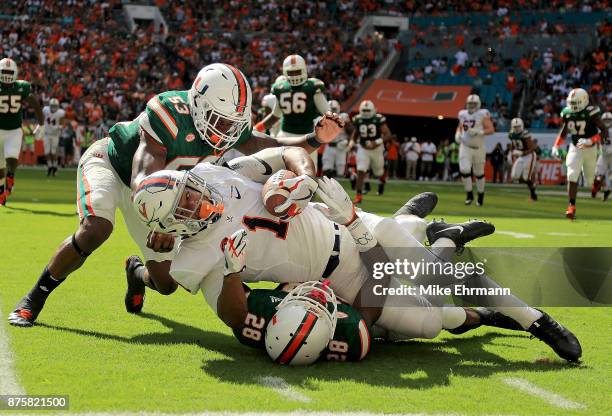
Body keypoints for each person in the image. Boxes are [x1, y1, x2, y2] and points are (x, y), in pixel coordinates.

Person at [132, 152, 582, 364]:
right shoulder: (197, 252)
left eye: (190, 189)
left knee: (441, 275)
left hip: (348, 227)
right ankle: (460, 270)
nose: (198, 198)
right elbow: (232, 315)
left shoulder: (215, 173)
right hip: (341, 282)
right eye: (186, 206)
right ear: (175, 227)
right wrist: (226, 271)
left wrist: (296, 178)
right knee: (438, 320)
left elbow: (287, 155)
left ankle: (537, 320)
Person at [7, 63, 342, 328]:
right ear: (197, 104)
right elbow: (143, 175)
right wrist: (163, 222)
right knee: (97, 229)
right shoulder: (167, 112)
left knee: (166, 283)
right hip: (114, 168)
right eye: (218, 121)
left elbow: (263, 144)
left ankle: (136, 272)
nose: (224, 133)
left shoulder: (229, 125)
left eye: (231, 125)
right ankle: (34, 297)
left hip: (163, 196)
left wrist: (314, 138)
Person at [256, 55, 329, 163]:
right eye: (291, 72)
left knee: (308, 175)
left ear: (304, 70)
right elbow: (275, 115)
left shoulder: (313, 86)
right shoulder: (281, 88)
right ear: (285, 73)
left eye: (297, 71)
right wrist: (257, 128)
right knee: (281, 170)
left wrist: (323, 124)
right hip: (285, 136)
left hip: (308, 137)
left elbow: (327, 113)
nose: (294, 75)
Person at [551, 88, 608, 219]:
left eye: (576, 103)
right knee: (572, 174)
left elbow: (604, 131)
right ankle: (571, 206)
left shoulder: (591, 112)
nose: (573, 106)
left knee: (589, 180)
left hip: (590, 148)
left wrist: (591, 140)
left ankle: (595, 185)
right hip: (575, 147)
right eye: (571, 103)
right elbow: (564, 131)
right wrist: (556, 145)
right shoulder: (567, 113)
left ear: (584, 101)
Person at [0, 58, 44, 205]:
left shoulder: (21, 87)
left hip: (13, 130)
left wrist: (41, 124)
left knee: (11, 158)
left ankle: (10, 176)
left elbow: (34, 103)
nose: (6, 75)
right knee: (0, 166)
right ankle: (1, 193)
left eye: (9, 72)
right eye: (4, 72)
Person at [455, 94, 495, 206]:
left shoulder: (482, 114)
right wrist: (458, 133)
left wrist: (479, 132)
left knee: (479, 173)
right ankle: (469, 194)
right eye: (470, 103)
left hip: (478, 148)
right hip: (465, 146)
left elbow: (491, 129)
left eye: (473, 104)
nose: (471, 106)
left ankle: (481, 195)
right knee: (464, 169)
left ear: (478, 104)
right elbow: (460, 126)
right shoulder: (462, 114)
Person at [349, 100, 391, 203]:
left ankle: (381, 182)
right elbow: (355, 134)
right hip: (363, 148)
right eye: (364, 110)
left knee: (378, 172)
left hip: (377, 149)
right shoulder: (358, 119)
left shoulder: (378, 119)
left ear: (373, 110)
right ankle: (358, 195)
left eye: (368, 110)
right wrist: (351, 143)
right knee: (361, 170)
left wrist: (376, 142)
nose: (366, 112)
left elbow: (388, 134)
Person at [508, 118, 538, 200]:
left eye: (518, 126)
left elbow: (532, 148)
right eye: (515, 127)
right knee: (514, 176)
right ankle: (532, 185)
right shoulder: (511, 134)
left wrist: (522, 153)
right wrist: (512, 151)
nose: (517, 128)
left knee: (526, 178)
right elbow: (513, 145)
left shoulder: (525, 134)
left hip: (529, 156)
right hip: (521, 156)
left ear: (522, 126)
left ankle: (533, 194)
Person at [321, 100, 352, 178]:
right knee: (327, 168)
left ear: (338, 108)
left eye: (334, 109)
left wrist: (348, 142)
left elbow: (351, 130)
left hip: (341, 146)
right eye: (330, 109)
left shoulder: (343, 116)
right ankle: (329, 188)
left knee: (340, 171)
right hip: (329, 145)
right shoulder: (324, 117)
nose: (332, 111)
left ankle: (352, 177)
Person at [42, 98, 66, 177]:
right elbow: (42, 119)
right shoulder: (45, 110)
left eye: (55, 106)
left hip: (55, 135)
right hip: (46, 133)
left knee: (53, 152)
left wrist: (59, 127)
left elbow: (62, 123)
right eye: (52, 106)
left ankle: (55, 167)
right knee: (46, 152)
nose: (53, 107)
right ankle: (50, 166)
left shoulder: (60, 113)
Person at [592, 112, 612, 201]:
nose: (607, 122)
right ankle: (598, 188)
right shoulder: (599, 130)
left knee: (609, 176)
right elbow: (596, 142)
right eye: (605, 120)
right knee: (598, 175)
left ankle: (606, 190)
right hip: (603, 156)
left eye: (609, 120)